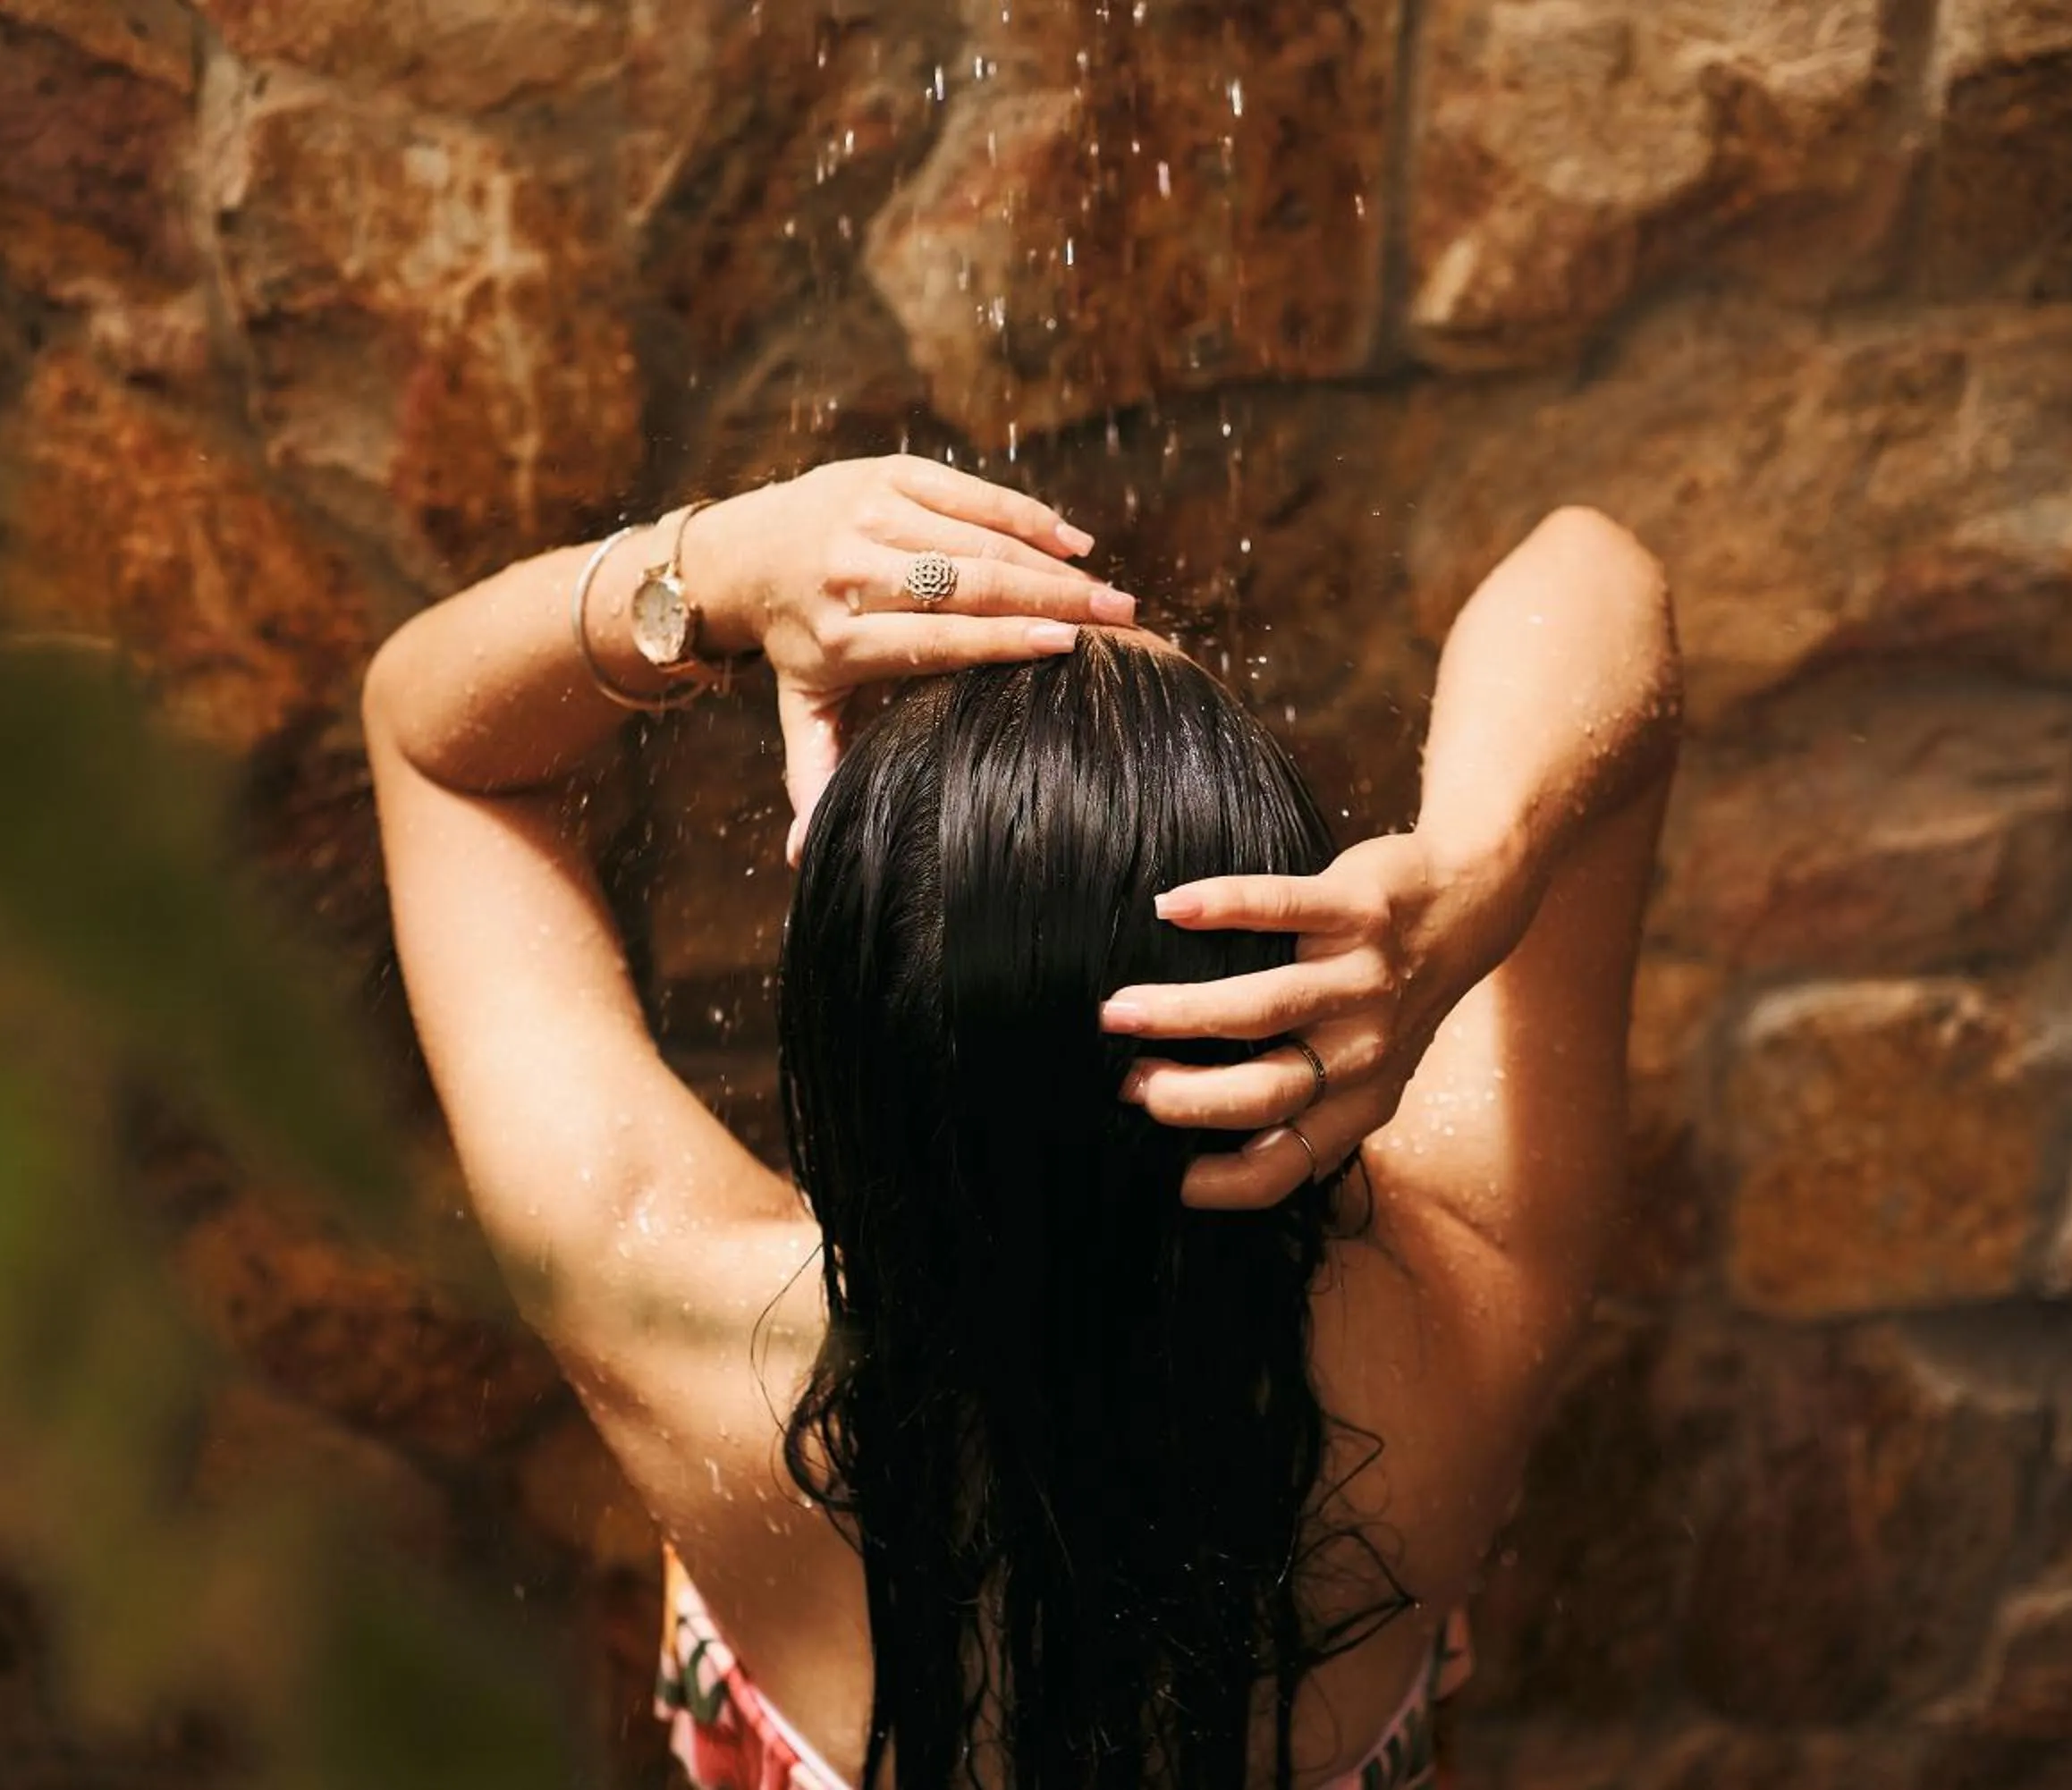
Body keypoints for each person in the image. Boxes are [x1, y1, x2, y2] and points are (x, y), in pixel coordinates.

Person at [361, 457, 1679, 1790]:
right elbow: (1597, 564)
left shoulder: (668, 1312)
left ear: (853, 1023)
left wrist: (710, 568)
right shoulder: (1461, 1306)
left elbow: (434, 741)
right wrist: (1476, 863)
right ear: (1285, 988)